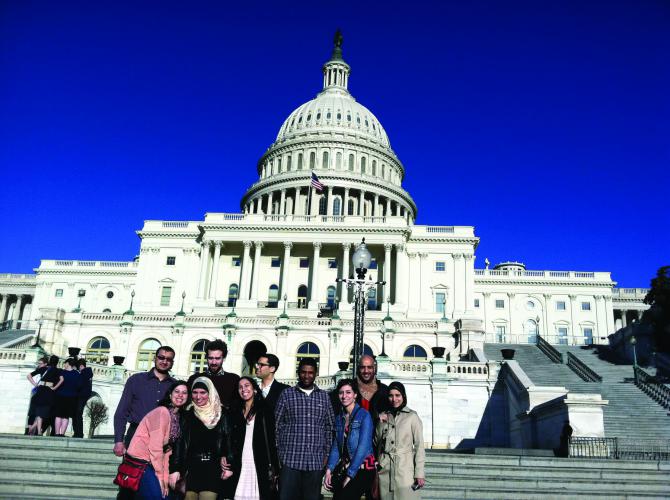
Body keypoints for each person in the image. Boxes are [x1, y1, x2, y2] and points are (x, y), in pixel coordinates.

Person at [275, 357, 335, 500]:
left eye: (310, 372)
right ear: (298, 373)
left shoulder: (324, 397)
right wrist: (279, 454)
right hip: (290, 460)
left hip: (315, 462)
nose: (306, 376)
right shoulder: (286, 395)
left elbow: (329, 427)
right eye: (303, 372)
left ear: (315, 374)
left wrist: (326, 454)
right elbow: (276, 425)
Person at [123, 380, 189, 499]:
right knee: (157, 496)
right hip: (141, 462)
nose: (180, 395)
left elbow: (166, 452)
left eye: (184, 393)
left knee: (166, 495)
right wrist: (159, 476)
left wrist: (164, 481)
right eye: (177, 391)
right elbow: (155, 448)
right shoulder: (162, 412)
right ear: (170, 395)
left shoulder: (177, 418)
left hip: (154, 462)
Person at [172, 376, 233, 500]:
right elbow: (180, 443)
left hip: (213, 469)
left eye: (203, 392)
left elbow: (230, 442)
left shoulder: (222, 414)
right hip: (190, 470)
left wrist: (230, 465)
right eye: (194, 392)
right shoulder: (187, 414)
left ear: (210, 393)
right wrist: (176, 469)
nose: (198, 397)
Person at [113, 346, 176, 457]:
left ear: (172, 362)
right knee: (132, 473)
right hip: (136, 435)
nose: (164, 361)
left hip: (163, 441)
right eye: (161, 357)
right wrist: (118, 440)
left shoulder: (175, 386)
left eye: (168, 359)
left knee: (158, 474)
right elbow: (122, 412)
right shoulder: (136, 380)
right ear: (154, 358)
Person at [226, 376, 280, 500]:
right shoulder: (235, 411)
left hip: (259, 461)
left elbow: (271, 440)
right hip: (239, 460)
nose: (243, 389)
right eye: (240, 387)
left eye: (247, 385)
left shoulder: (265, 410)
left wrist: (275, 467)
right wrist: (226, 455)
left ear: (255, 389)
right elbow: (228, 437)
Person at [324, 379, 376, 500]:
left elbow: (363, 448)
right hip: (347, 467)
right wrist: (329, 469)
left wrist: (350, 475)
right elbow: (337, 446)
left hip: (363, 469)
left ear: (355, 395)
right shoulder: (339, 418)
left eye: (348, 392)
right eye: (341, 393)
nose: (344, 396)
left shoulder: (364, 415)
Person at [375, 382, 425, 499]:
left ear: (403, 396)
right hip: (385, 470)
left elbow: (419, 446)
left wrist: (419, 473)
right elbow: (377, 442)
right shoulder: (383, 416)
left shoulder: (412, 417)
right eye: (391, 395)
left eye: (397, 395)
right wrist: (378, 421)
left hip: (405, 471)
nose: (394, 399)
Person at [187, 339, 239, 409]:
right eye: (210, 358)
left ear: (224, 358)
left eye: (217, 358)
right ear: (206, 358)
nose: (214, 362)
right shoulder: (194, 379)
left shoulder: (234, 379)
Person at [27, 355, 64, 435]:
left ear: (50, 361)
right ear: (57, 362)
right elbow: (62, 380)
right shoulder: (58, 370)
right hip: (49, 391)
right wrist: (55, 388)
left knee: (39, 412)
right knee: (44, 413)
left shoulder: (44, 368)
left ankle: (37, 430)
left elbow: (29, 375)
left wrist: (35, 384)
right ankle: (36, 429)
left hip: (40, 390)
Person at [354, 355, 389, 423]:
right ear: (358, 369)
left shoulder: (385, 390)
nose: (366, 371)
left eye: (369, 367)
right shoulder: (350, 389)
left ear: (374, 369)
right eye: (362, 367)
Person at [53, 358, 80, 436]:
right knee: (66, 416)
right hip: (71, 397)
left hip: (60, 396)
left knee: (58, 415)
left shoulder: (62, 372)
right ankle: (62, 434)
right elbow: (79, 385)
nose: (64, 365)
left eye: (65, 363)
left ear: (68, 363)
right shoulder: (76, 373)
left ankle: (57, 433)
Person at [25, 356, 48, 434]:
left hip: (39, 393)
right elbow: (29, 376)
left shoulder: (45, 371)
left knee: (36, 412)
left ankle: (32, 430)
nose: (39, 365)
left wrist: (36, 385)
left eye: (40, 363)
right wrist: (35, 384)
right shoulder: (38, 370)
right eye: (38, 363)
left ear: (45, 364)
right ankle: (30, 429)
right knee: (32, 413)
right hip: (35, 392)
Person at [72, 358, 93, 438]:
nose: (78, 369)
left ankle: (78, 433)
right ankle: (79, 433)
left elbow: (79, 385)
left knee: (77, 414)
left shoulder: (83, 373)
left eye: (78, 368)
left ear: (81, 366)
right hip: (85, 395)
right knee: (78, 414)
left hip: (80, 395)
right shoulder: (88, 372)